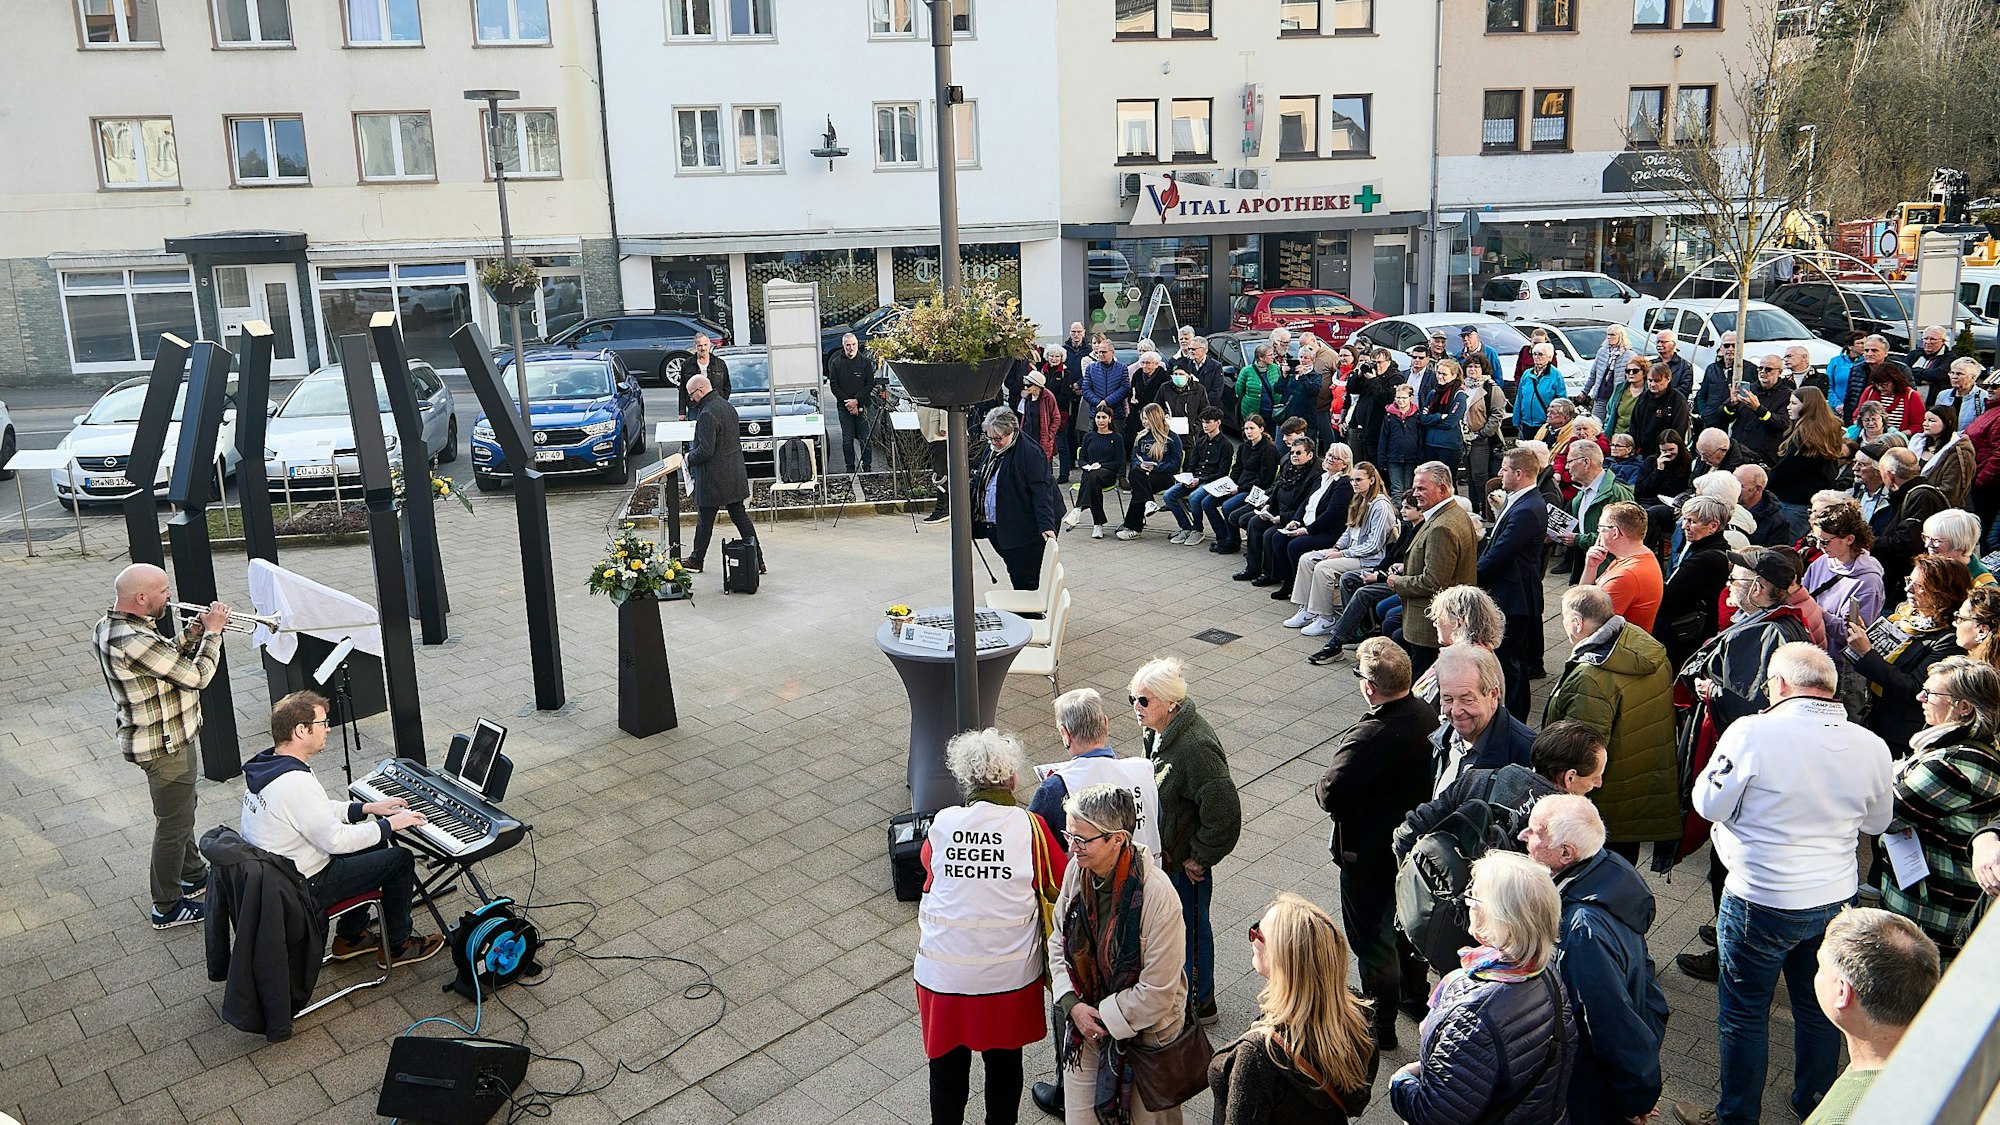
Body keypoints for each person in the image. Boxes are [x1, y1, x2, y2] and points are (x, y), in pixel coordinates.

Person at [1673, 643, 1895, 1125]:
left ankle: (1737, 1117)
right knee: (1816, 1007)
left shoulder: (1752, 732)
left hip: (1761, 898)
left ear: (1778, 685)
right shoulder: (1872, 745)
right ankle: (1812, 1103)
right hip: (1835, 897)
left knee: (1744, 1012)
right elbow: (1878, 824)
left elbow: (1708, 805)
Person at [240, 691, 445, 965]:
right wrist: (389, 825)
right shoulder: (294, 782)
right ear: (301, 731)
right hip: (302, 884)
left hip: (280, 874)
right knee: (401, 859)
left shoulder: (271, 764)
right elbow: (336, 841)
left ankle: (351, 938)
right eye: (322, 723)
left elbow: (317, 811)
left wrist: (365, 809)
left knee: (373, 844)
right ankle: (397, 947)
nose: (328, 729)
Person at [1388, 851, 1579, 1125]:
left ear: (1500, 918)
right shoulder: (1545, 971)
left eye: (1474, 897)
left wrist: (1401, 1080)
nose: (1467, 902)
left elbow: (1432, 1115)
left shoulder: (1472, 1017)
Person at [1316, 638, 1438, 1048]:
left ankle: (1379, 1023)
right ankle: (1412, 996)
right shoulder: (1427, 714)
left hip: (1368, 854)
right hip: (1412, 850)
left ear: (1370, 686)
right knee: (1407, 926)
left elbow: (1330, 793)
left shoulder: (1369, 734)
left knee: (1374, 939)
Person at [94, 564, 229, 930]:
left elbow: (163, 659)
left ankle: (194, 874)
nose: (170, 596)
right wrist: (213, 634)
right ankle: (167, 905)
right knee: (174, 824)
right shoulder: (132, 638)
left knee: (181, 810)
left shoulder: (114, 626)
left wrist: (193, 633)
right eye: (164, 590)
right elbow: (198, 676)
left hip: (159, 738)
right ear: (141, 598)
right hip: (164, 745)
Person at [1519, 795, 1669, 1125]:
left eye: (1534, 832)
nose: (1522, 836)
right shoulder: (1607, 869)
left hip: (1589, 1083)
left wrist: (1635, 1096)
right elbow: (1644, 977)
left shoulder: (1581, 930)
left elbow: (1609, 1017)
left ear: (1566, 853)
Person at [1047, 785, 1188, 1125]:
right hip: (1085, 1027)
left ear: (1118, 839)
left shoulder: (1158, 897)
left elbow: (1157, 991)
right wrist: (1073, 1006)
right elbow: (1058, 941)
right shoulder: (1075, 872)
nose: (1072, 847)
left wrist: (1100, 1015)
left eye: (1082, 839)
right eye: (1069, 835)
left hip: (1147, 1036)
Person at [1131, 657, 1240, 1025]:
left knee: (1192, 931)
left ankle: (1200, 1002)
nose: (1136, 708)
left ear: (1170, 704)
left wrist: (1201, 856)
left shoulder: (1195, 748)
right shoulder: (1158, 729)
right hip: (1168, 857)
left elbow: (1224, 811)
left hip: (1185, 865)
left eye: (1143, 701)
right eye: (1132, 698)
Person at [1210, 896, 1379, 1125]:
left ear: (1283, 962)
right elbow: (1358, 1096)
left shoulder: (1258, 1056)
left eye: (1258, 934)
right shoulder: (1358, 1012)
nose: (1253, 938)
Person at [1874, 656, 2000, 955]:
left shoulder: (1954, 765)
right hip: (1927, 898)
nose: (1920, 697)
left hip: (1934, 913)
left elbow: (1883, 815)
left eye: (1930, 693)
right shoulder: (1956, 746)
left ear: (1964, 707)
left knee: (1914, 987)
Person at [1545, 586, 1680, 861]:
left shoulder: (1590, 677)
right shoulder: (1647, 649)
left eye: (1563, 619)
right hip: (1640, 781)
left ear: (1577, 622)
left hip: (1605, 794)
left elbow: (1579, 751)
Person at [1803, 907, 1941, 1125]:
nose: (1817, 974)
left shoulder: (1842, 1118)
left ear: (1842, 992)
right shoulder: (1945, 1056)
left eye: (1821, 966)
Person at [1847, 554, 1971, 756]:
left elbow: (1914, 688)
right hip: (1875, 717)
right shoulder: (1905, 618)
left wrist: (1867, 652)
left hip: (1901, 735)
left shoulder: (1948, 640)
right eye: (1909, 581)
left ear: (1942, 593)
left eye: (1919, 586)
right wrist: (1865, 638)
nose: (1908, 589)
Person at [1028, 689, 1162, 860]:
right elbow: (1159, 823)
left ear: (1065, 734)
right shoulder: (1144, 770)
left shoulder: (1056, 787)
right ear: (1105, 724)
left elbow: (1030, 843)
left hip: (1086, 884)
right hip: (1148, 875)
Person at [1479, 448, 1551, 719]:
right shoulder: (1521, 501)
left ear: (1519, 474)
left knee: (1511, 662)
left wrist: (1470, 577)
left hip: (1515, 597)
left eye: (1505, 470)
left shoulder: (1528, 509)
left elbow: (1500, 553)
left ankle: (1516, 718)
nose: (1500, 474)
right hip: (1512, 593)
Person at [1388, 463, 1480, 676]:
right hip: (1440, 619)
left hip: (1430, 626)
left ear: (1443, 489)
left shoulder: (1441, 527)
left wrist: (1397, 582)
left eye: (1421, 488)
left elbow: (1434, 582)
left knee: (1423, 683)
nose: (1416, 494)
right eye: (1414, 488)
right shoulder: (1453, 513)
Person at [1285, 461, 1395, 636]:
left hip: (1368, 559)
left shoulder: (1380, 505)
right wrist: (1336, 548)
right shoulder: (1359, 498)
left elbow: (1374, 545)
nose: (1354, 483)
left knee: (1323, 568)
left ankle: (1326, 618)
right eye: (1352, 480)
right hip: (1351, 552)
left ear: (1372, 480)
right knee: (1307, 559)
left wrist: (1342, 553)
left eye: (1359, 480)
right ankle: (1306, 609)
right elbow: (1349, 530)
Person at [1804, 500, 1888, 712]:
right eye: (1816, 540)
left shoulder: (1868, 582)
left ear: (1849, 539)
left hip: (1842, 670)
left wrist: (1816, 612)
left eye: (1825, 542)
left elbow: (1853, 636)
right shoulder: (1821, 562)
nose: (1818, 547)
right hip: (1813, 658)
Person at [1423, 643, 1537, 794]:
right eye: (1448, 699)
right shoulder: (1442, 739)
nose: (1456, 712)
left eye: (1467, 699)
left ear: (1493, 695)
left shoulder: (1528, 754)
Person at [682, 373, 757, 575]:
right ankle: (758, 560)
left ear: (701, 390)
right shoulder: (727, 406)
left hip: (713, 477)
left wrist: (688, 458)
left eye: (692, 394)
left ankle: (696, 561)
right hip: (733, 472)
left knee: (705, 521)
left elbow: (706, 450)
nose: (691, 399)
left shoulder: (707, 413)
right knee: (740, 517)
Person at [978, 407, 1061, 589]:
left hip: (1025, 528)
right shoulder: (994, 448)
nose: (993, 442)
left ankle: (1030, 613)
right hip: (1001, 525)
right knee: (1015, 569)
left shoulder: (1030, 453)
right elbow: (981, 480)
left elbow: (1042, 491)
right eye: (990, 437)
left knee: (1026, 575)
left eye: (998, 438)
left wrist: (1046, 525)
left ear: (1012, 432)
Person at [1254, 445, 1354, 589]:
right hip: (1308, 524)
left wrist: (1307, 530)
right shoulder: (1322, 478)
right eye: (1329, 455)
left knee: (1295, 545)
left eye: (1336, 458)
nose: (1330, 459)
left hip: (1326, 531)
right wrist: (1295, 520)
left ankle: (1299, 586)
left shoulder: (1343, 484)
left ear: (1344, 464)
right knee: (1278, 537)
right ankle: (1287, 581)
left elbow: (1331, 514)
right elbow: (1306, 502)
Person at [1234, 436, 1323, 582]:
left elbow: (1307, 504)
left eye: (1298, 453)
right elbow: (1279, 485)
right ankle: (1252, 568)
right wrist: (1269, 504)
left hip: (1295, 516)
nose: (1294, 456)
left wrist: (1283, 518)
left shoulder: (1315, 475)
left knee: (1270, 534)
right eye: (1293, 452)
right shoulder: (1289, 464)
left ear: (1310, 455)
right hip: (1279, 508)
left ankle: (1270, 574)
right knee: (1254, 523)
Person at [1770, 386, 1848, 541]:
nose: (1788, 407)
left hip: (1793, 503)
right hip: (1813, 501)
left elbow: (1785, 471)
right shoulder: (1829, 430)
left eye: (1793, 403)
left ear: (1807, 406)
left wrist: (1767, 481)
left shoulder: (1804, 437)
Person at [1871, 446, 1950, 595]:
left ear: (1890, 475)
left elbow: (1907, 542)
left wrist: (1871, 542)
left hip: (1913, 585)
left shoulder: (1921, 497)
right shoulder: (1910, 496)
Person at [1559, 441, 1635, 583]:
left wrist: (1578, 539)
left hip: (1611, 575)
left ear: (1586, 462)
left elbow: (1622, 538)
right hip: (1592, 573)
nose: (1566, 466)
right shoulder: (1580, 495)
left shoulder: (1616, 493)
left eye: (1569, 461)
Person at [1580, 501, 1663, 631]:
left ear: (1615, 533)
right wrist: (1591, 567)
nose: (1598, 533)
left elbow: (1586, 623)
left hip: (1613, 648)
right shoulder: (1638, 557)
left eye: (1601, 528)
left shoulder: (1626, 575)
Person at [1202, 413, 1278, 553]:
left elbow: (1265, 479)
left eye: (1252, 428)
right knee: (1207, 503)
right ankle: (1223, 537)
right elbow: (1237, 468)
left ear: (1261, 429)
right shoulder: (1244, 447)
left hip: (1254, 490)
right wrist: (1229, 483)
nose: (1248, 432)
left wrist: (1239, 488)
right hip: (1237, 486)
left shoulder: (1268, 449)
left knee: (1227, 506)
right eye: (1246, 428)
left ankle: (1233, 541)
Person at [1115, 403, 1184, 541]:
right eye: (1143, 419)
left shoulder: (1172, 438)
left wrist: (1156, 467)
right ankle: (1148, 504)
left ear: (1155, 418)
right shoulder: (1141, 436)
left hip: (1164, 476)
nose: (1144, 422)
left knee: (1139, 486)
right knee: (1136, 474)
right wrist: (1140, 464)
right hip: (1142, 475)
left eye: (1147, 419)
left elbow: (1175, 464)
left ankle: (1133, 526)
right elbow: (1134, 458)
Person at [1710, 353, 1794, 465]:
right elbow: (1721, 417)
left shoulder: (1786, 395)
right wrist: (1731, 405)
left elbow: (1783, 424)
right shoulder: (1748, 390)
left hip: (1764, 456)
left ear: (1779, 372)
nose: (1763, 372)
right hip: (1739, 452)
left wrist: (1759, 409)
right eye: (1760, 368)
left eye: (1768, 369)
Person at [1163, 407, 1229, 545]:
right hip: (1195, 478)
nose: (1205, 425)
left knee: (1194, 497)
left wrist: (1200, 480)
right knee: (1168, 495)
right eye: (1203, 422)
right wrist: (1188, 478)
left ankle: (1198, 529)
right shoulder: (1200, 441)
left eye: (1209, 422)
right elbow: (1192, 464)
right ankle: (1186, 527)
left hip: (1211, 481)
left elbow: (1222, 473)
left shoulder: (1225, 445)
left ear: (1218, 423)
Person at [1065, 405, 1126, 539]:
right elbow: (1081, 458)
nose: (1101, 420)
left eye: (1104, 417)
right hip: (1091, 474)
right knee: (1093, 482)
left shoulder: (1117, 437)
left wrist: (1100, 465)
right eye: (1098, 417)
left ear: (1110, 419)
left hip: (1108, 473)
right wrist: (1086, 466)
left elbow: (1119, 462)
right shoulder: (1089, 436)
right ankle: (1097, 525)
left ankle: (1078, 509)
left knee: (1092, 476)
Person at [825, 332, 877, 473]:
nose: (851, 348)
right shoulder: (836, 363)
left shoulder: (865, 362)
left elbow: (869, 384)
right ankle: (850, 468)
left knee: (865, 438)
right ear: (843, 346)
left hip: (863, 406)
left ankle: (867, 467)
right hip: (844, 407)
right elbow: (834, 386)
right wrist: (848, 403)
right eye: (848, 345)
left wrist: (856, 401)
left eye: (853, 344)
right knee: (847, 439)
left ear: (857, 345)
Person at [1857, 341, 1925, 435]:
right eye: (1877, 385)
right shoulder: (1870, 391)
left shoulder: (1911, 395)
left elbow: (1918, 425)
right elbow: (1857, 416)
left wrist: (1898, 435)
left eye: (1885, 385)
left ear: (1895, 381)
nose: (1880, 388)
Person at [1913, 404, 1975, 506]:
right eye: (1925, 419)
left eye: (1931, 420)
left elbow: (1951, 491)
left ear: (1948, 423)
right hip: (1915, 503)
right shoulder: (1918, 444)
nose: (1925, 424)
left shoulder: (1959, 452)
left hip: (1939, 509)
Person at [1463, 355, 1508, 494]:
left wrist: (1483, 433)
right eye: (1470, 366)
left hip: (1481, 439)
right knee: (1469, 475)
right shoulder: (1462, 386)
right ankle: (1474, 506)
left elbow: (1498, 414)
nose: (1472, 370)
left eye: (1477, 367)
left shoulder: (1492, 388)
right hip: (1464, 438)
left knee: (1480, 475)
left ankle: (1485, 507)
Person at [1632, 361, 1693, 458]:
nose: (1652, 384)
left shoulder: (1678, 401)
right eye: (1650, 380)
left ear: (1668, 379)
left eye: (1657, 381)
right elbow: (1634, 423)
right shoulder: (1643, 397)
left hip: (1664, 453)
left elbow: (1678, 431)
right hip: (1642, 452)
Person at [1921, 507, 1994, 586]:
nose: (1927, 544)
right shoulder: (1930, 569)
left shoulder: (1983, 586)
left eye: (1936, 540)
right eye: (1927, 537)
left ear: (1959, 544)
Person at [1377, 382, 1424, 496]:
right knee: (1396, 489)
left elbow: (1421, 438)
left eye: (1404, 397)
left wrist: (1420, 458)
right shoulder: (1389, 416)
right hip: (1393, 457)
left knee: (1409, 488)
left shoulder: (1417, 416)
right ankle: (1397, 513)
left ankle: (1408, 512)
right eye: (1398, 397)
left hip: (1411, 458)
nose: (1400, 400)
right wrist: (1382, 458)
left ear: (1411, 398)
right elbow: (1384, 438)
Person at [1587, 323, 1639, 423]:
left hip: (1618, 397)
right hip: (1601, 395)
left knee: (1612, 423)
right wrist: (1585, 391)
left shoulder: (1630, 355)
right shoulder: (1602, 351)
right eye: (1608, 334)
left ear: (1620, 336)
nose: (1609, 337)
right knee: (1594, 423)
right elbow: (1593, 373)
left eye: (1612, 335)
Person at [1515, 345, 1568, 436]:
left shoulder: (1555, 375)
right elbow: (1520, 397)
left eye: (1540, 354)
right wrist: (1516, 420)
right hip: (1526, 423)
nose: (1536, 357)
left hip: (1546, 424)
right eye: (1534, 354)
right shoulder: (1527, 374)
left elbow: (1562, 401)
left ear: (1549, 357)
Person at [1081, 335, 1131, 430]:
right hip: (1096, 414)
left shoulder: (1121, 368)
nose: (1101, 355)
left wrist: (1107, 402)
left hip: (1115, 414)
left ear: (1112, 353)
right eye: (1099, 352)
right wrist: (1099, 403)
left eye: (1104, 352)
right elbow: (1086, 390)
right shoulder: (1091, 369)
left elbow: (1124, 389)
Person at [676, 333, 730, 419]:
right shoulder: (687, 364)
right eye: (700, 346)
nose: (703, 348)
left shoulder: (720, 364)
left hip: (715, 406)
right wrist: (682, 412)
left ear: (710, 345)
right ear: (695, 346)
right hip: (694, 407)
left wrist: (722, 402)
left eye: (705, 345)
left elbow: (726, 387)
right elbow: (682, 389)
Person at [1734, 464, 1790, 547]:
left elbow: (1772, 556)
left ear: (1757, 489)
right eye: (1732, 484)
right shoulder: (1727, 507)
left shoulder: (1777, 523)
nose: (1734, 489)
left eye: (1740, 486)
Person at [1171, 333, 1226, 412]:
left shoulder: (1216, 366)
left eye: (1193, 349)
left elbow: (1216, 391)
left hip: (1208, 408)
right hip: (1190, 408)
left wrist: (1202, 404)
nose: (1190, 351)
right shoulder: (1186, 364)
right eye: (1189, 349)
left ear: (1204, 350)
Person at [1935, 356, 1993, 428]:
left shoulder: (1983, 397)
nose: (1954, 377)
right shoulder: (1943, 395)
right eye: (1952, 373)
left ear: (1973, 377)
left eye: (1959, 374)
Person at [1827, 332, 1867, 422]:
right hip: (1836, 408)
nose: (1863, 346)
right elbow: (1829, 385)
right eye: (1860, 343)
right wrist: (1837, 404)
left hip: (1858, 408)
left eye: (1865, 343)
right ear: (1850, 346)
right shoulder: (1835, 361)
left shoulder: (1866, 362)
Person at [1906, 323, 1952, 400]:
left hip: (1933, 401)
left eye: (1933, 339)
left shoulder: (1949, 357)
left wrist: (1913, 372)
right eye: (1925, 338)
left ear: (1943, 341)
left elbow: (1937, 375)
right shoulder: (1914, 354)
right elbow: (1903, 373)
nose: (1928, 342)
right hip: (1910, 398)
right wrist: (1921, 381)